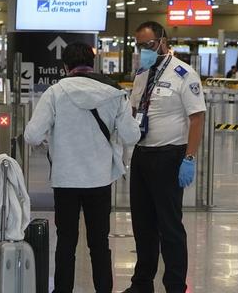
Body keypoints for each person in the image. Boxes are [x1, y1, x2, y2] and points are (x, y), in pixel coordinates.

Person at [25, 43, 140, 293]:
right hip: (100, 180)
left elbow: (32, 135)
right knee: (99, 242)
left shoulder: (55, 93)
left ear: (65, 66)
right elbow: (132, 136)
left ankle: (63, 289)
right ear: (93, 62)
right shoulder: (115, 93)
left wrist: (53, 138)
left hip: (65, 180)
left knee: (66, 241)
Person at [124, 21, 206, 293]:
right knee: (142, 224)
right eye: (139, 45)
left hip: (169, 156)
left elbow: (197, 118)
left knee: (169, 226)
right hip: (142, 154)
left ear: (162, 40)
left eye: (148, 44)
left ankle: (174, 285)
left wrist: (189, 157)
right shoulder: (142, 73)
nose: (144, 50)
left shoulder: (184, 73)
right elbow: (134, 110)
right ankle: (142, 283)